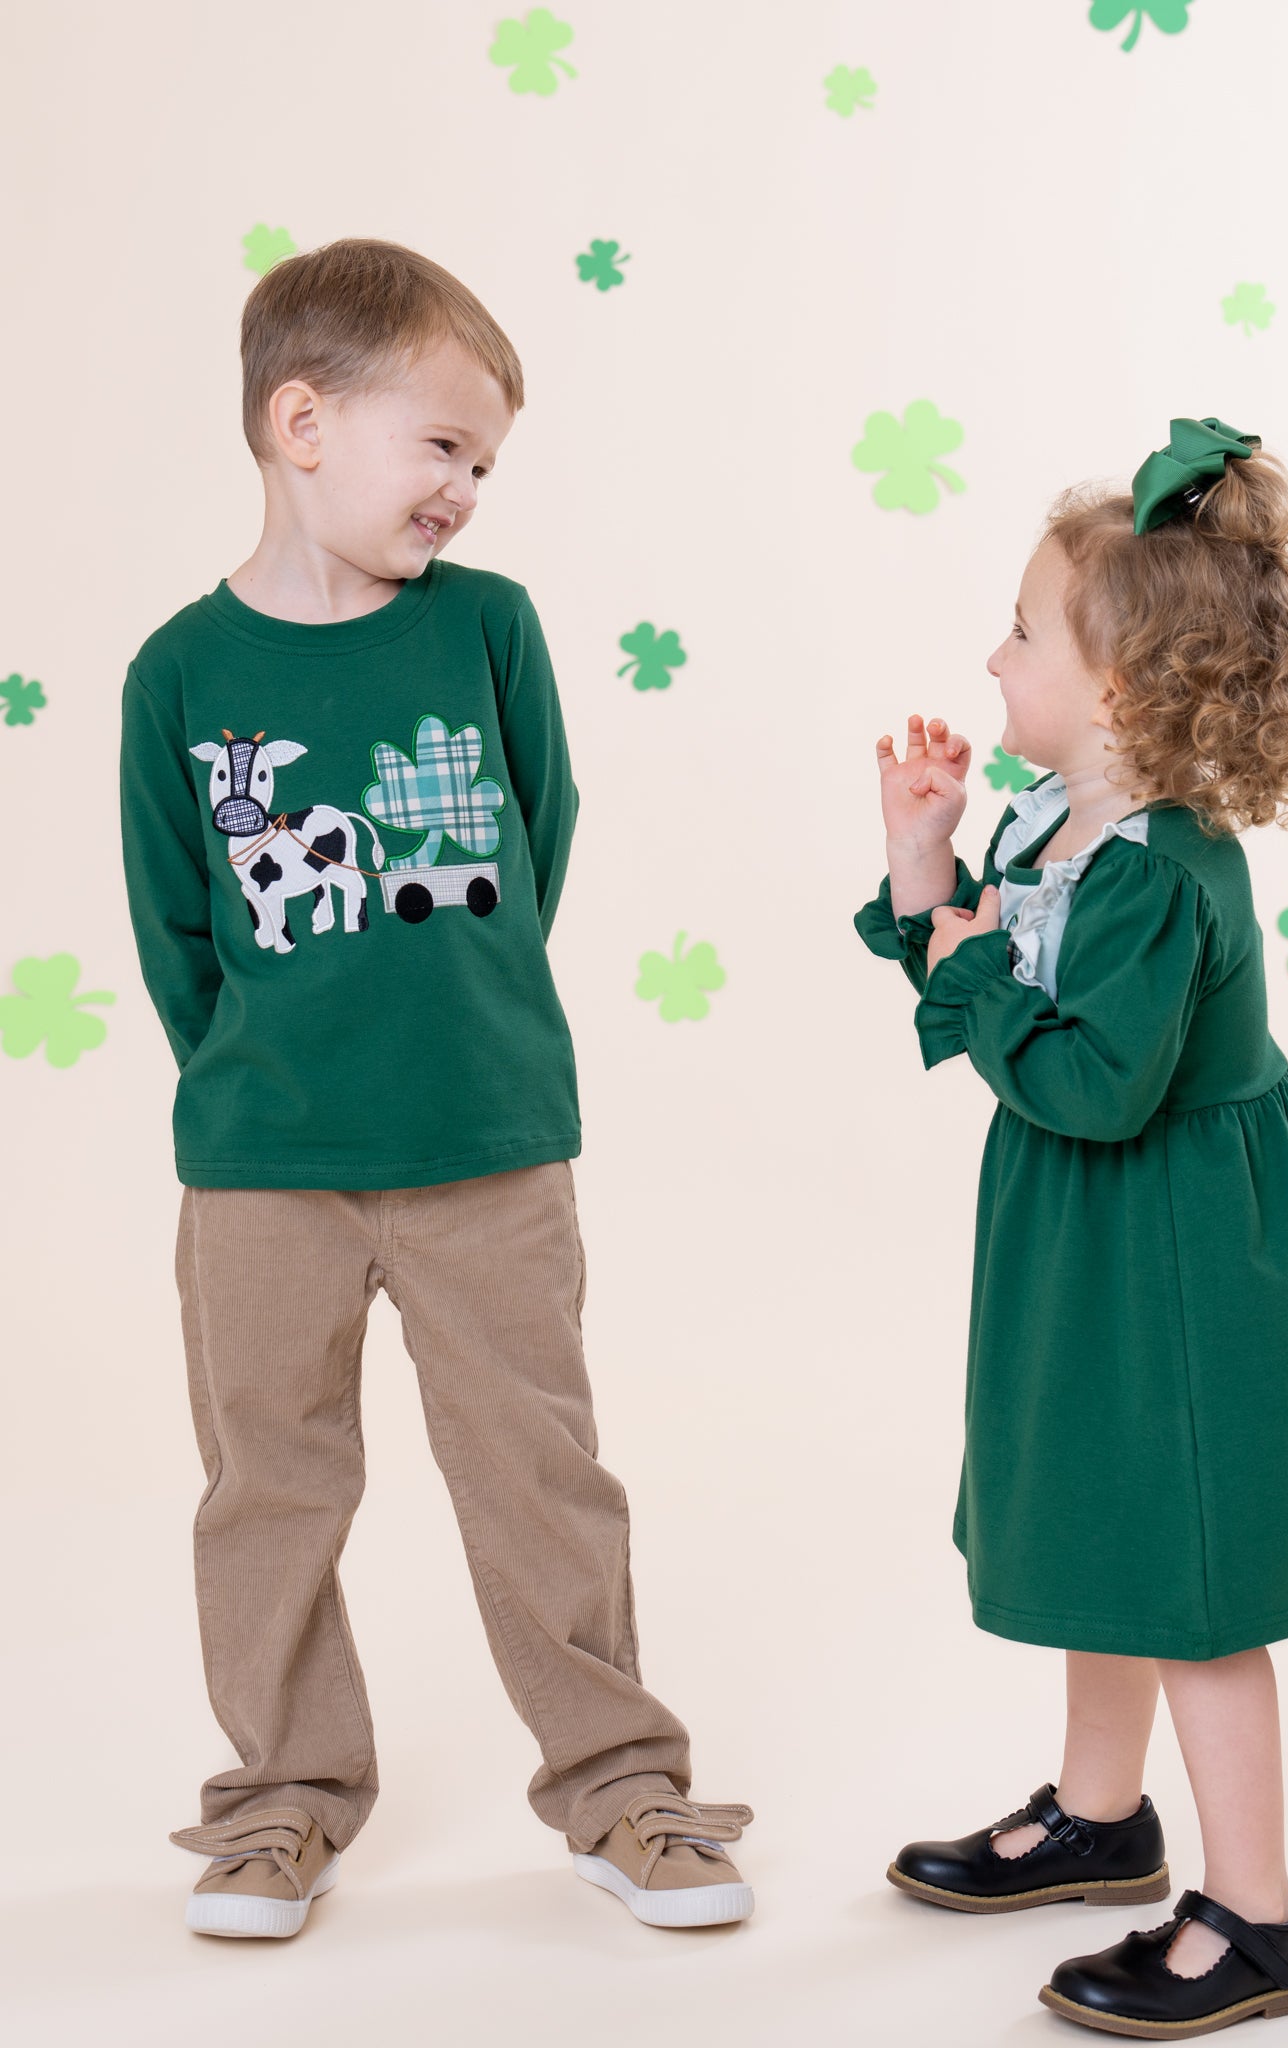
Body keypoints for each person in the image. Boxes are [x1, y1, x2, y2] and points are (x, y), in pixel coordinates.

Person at [118, 237, 752, 1939]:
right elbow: (179, 930)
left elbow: (533, 845)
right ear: (303, 423)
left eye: (487, 464)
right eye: (444, 448)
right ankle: (284, 1800)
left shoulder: (488, 627)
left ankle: (621, 1784)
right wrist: (272, 1075)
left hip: (488, 1143)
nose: (466, 491)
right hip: (263, 1166)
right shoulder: (177, 676)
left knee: (543, 1473)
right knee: (269, 1488)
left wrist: (457, 1022)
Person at [854, 418, 1288, 2037]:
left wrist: (974, 970)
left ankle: (1258, 1916)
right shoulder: (1051, 826)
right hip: (1087, 1231)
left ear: (1119, 689)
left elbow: (1093, 1082)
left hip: (1178, 1244)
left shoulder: (1160, 874)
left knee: (1195, 1573)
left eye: (1022, 633)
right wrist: (926, 870)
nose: (993, 657)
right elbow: (987, 984)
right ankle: (1101, 1816)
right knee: (1110, 1523)